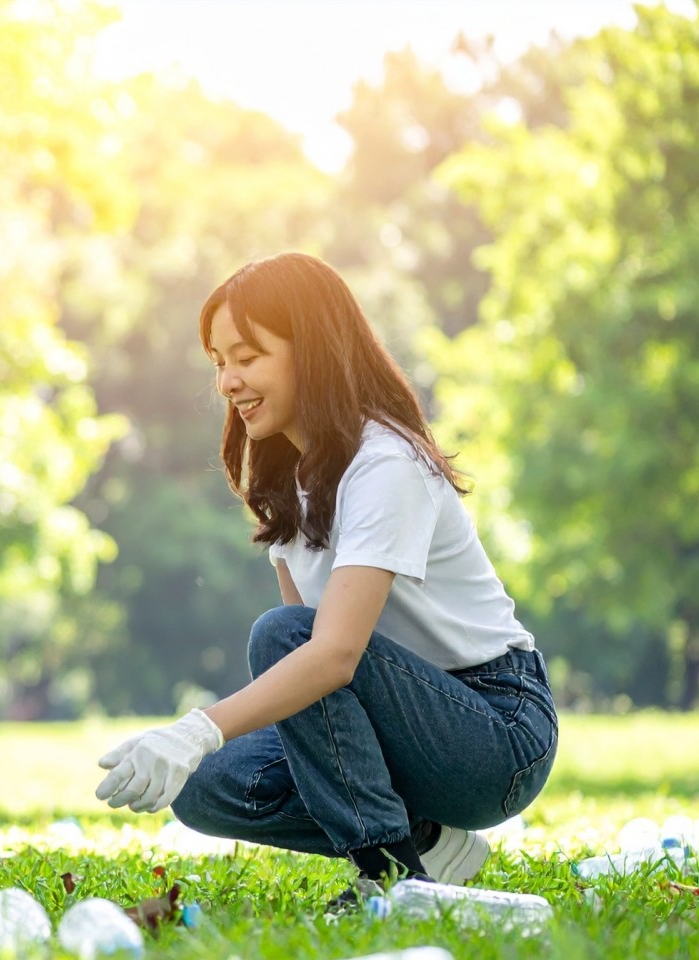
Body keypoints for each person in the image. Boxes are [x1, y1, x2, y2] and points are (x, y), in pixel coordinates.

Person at [93, 253, 558, 907]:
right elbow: (312, 686)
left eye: (247, 357)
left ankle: (389, 877)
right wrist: (195, 749)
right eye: (219, 362)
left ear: (310, 351)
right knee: (203, 784)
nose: (227, 381)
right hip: (396, 724)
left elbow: (328, 653)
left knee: (281, 639)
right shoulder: (287, 479)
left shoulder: (385, 462)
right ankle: (426, 840)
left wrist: (196, 727)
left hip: (494, 731)